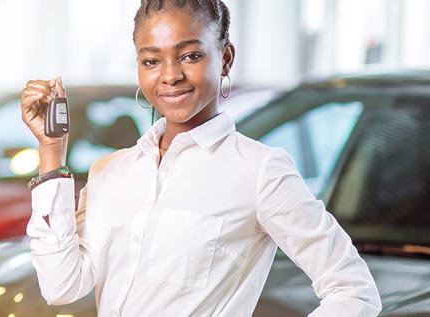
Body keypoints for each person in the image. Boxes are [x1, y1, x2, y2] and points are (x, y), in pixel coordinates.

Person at [19, 1, 381, 316]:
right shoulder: (109, 172)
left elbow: (353, 289)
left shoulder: (259, 171)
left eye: (191, 55)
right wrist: (52, 149)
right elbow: (61, 286)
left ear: (225, 58)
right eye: (151, 60)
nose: (171, 75)